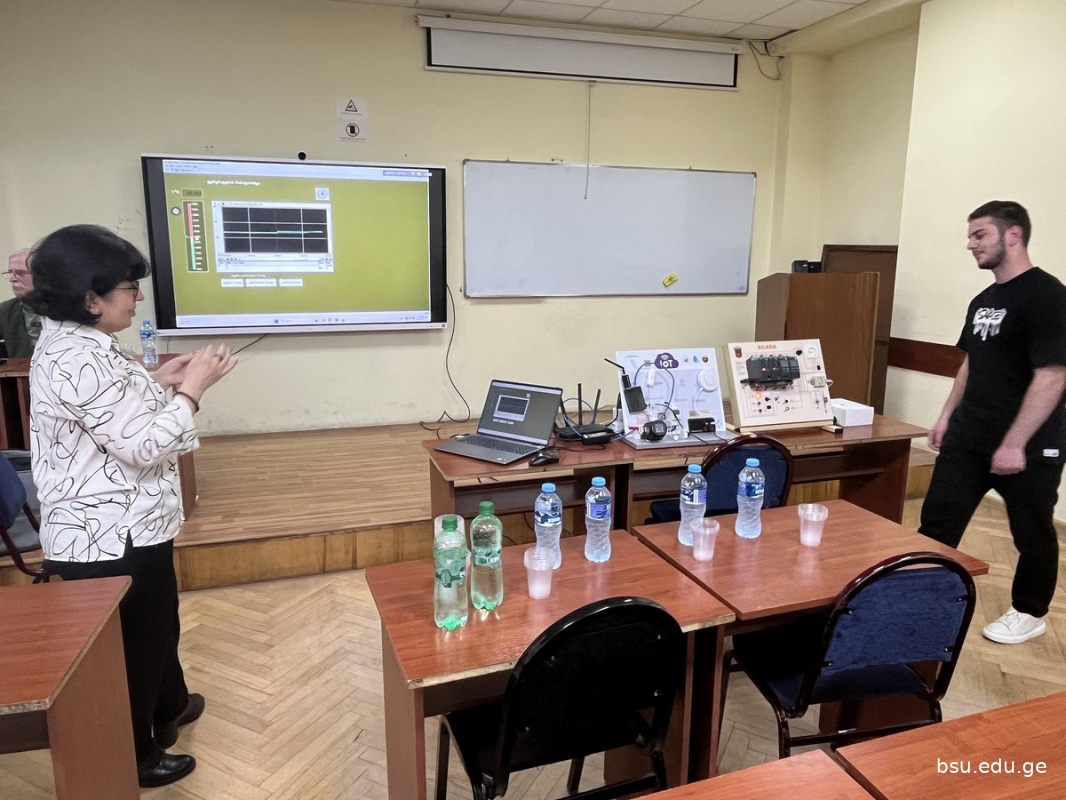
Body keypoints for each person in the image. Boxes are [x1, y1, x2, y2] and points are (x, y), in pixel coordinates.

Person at [24, 225, 237, 787]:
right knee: (136, 647)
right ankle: (137, 754)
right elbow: (141, 444)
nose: (138, 296)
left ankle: (170, 707)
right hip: (108, 536)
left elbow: (111, 410)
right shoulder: (77, 356)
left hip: (132, 524)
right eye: (128, 287)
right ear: (89, 298)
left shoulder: (81, 341)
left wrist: (157, 379)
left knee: (160, 624)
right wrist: (192, 390)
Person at [920, 201, 1066, 645]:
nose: (971, 244)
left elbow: (1053, 374)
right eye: (971, 236)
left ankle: (1030, 611)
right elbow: (971, 363)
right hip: (969, 437)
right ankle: (920, 592)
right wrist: (946, 417)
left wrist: (1015, 442)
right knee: (937, 522)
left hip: (1028, 445)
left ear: (1013, 235)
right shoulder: (983, 301)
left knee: (1032, 531)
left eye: (980, 234)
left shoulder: (1048, 297)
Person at [0, 248, 43, 357]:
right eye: (10, 272)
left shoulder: (67, 308)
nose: (12, 278)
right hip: (22, 367)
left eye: (20, 272)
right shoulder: (6, 310)